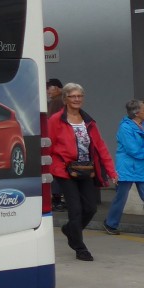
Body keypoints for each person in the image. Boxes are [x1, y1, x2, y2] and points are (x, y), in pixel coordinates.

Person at [47, 82, 117, 261]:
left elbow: (100, 147)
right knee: (75, 209)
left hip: (86, 169)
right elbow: (48, 145)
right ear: (65, 99)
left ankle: (71, 230)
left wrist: (112, 172)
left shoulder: (89, 121)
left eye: (80, 96)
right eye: (73, 96)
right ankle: (79, 247)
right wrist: (52, 167)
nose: (77, 99)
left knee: (90, 208)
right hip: (64, 170)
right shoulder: (56, 120)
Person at [104, 99, 144, 235]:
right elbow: (133, 150)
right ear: (137, 113)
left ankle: (110, 223)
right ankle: (110, 223)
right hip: (127, 167)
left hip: (140, 166)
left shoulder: (142, 125)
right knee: (121, 197)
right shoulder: (125, 128)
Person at [46, 78, 67, 211]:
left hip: (56, 141)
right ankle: (58, 199)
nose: (48, 91)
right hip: (61, 141)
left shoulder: (56, 102)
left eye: (50, 88)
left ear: (59, 88)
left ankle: (56, 200)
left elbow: (50, 121)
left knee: (55, 171)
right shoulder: (61, 101)